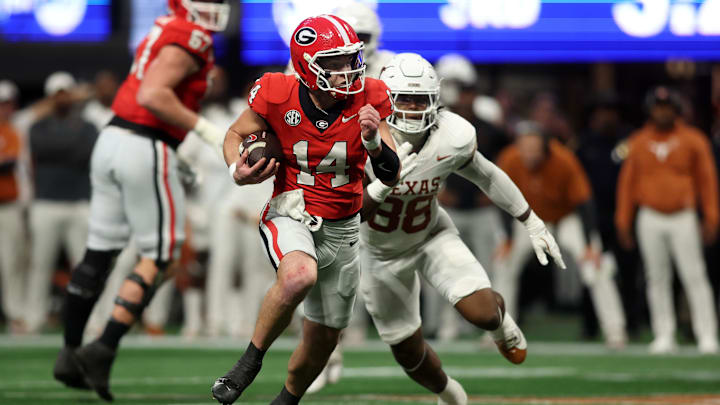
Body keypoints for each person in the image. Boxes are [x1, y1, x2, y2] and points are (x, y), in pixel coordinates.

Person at [211, 15, 401, 405]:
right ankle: (249, 363)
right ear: (306, 64)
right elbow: (235, 134)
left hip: (344, 226)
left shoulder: (372, 95)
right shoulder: (276, 92)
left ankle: (286, 401)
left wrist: (374, 143)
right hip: (291, 209)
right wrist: (237, 168)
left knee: (323, 341)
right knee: (299, 275)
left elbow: (391, 172)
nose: (347, 70)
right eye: (334, 63)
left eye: (350, 60)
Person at [357, 53, 564, 405]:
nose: (411, 107)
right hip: (379, 254)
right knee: (408, 353)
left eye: (420, 98)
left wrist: (530, 220)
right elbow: (350, 213)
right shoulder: (356, 138)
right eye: (403, 97)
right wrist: (380, 185)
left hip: (431, 235)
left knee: (482, 314)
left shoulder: (451, 136)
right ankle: (451, 394)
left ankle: (500, 325)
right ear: (384, 98)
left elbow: (486, 174)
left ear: (435, 101)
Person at [52, 0, 231, 401]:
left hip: (114, 140)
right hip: (145, 144)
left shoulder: (168, 24)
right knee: (164, 253)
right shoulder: (192, 34)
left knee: (99, 250)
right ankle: (104, 347)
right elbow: (153, 94)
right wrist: (207, 131)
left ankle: (68, 351)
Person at [494, 121, 627, 348]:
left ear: (545, 147)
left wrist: (588, 245)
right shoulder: (509, 159)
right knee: (504, 264)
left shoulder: (563, 160)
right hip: (528, 219)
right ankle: (498, 331)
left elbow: (584, 204)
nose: (528, 155)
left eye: (533, 149)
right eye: (524, 149)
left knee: (596, 266)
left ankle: (615, 330)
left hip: (566, 218)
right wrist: (507, 239)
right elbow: (500, 199)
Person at [616, 86, 719, 354]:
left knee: (694, 276)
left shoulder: (693, 140)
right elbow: (627, 184)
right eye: (658, 107)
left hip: (683, 216)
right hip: (649, 215)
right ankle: (664, 334)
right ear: (650, 110)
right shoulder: (637, 141)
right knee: (655, 277)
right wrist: (623, 219)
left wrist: (711, 216)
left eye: (667, 107)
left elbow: (707, 181)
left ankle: (706, 334)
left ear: (676, 110)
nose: (662, 112)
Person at [25, 72, 98, 334]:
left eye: (66, 93)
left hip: (78, 203)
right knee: (39, 264)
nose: (62, 99)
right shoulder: (37, 127)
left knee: (85, 267)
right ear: (50, 97)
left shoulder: (87, 126)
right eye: (58, 94)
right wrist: (68, 148)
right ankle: (33, 318)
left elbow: (83, 154)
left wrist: (61, 149)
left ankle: (89, 321)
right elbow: (43, 149)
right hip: (46, 203)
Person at [0, 80, 26, 334]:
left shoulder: (16, 129)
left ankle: (15, 316)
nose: (2, 109)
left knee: (12, 264)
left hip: (9, 206)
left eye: (6, 104)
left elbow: (9, 164)